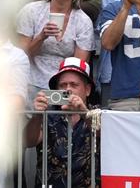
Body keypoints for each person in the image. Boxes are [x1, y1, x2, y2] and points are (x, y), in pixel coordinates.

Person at [18, 0, 95, 98]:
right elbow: (20, 56)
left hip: (64, 87)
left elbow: (78, 67)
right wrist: (41, 37)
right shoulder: (32, 11)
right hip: (30, 83)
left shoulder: (83, 21)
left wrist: (60, 93)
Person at [25, 57, 101, 188]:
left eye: (74, 84)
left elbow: (107, 135)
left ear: (87, 90)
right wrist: (37, 115)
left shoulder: (97, 112)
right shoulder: (47, 113)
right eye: (63, 85)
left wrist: (84, 112)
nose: (68, 89)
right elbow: (29, 141)